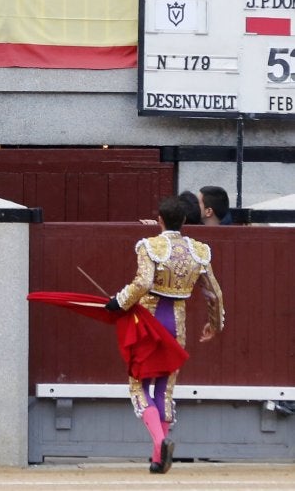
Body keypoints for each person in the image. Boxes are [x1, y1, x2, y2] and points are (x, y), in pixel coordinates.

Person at [105, 195, 225, 474]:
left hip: (149, 322)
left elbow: (144, 282)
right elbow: (213, 293)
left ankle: (160, 442)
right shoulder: (198, 250)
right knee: (164, 389)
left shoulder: (150, 246)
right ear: (184, 220)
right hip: (176, 324)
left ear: (159, 219)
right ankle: (158, 459)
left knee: (138, 385)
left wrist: (119, 301)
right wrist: (215, 325)